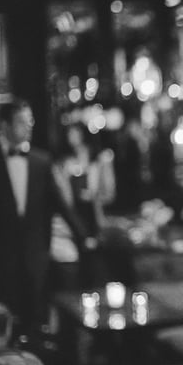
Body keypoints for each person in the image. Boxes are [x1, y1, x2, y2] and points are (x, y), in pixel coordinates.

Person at [0, 98, 93, 336]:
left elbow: (61, 206)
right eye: (21, 122)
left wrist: (85, 237)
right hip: (3, 255)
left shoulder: (41, 162)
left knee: (36, 320)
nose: (28, 127)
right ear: (5, 126)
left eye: (30, 121)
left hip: (36, 255)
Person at [54, 123, 115, 287]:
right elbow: (62, 198)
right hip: (74, 217)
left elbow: (109, 193)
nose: (72, 138)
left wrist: (94, 196)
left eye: (76, 133)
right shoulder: (64, 163)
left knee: (97, 263)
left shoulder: (99, 160)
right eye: (69, 134)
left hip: (93, 216)